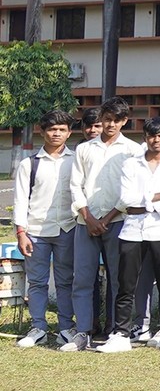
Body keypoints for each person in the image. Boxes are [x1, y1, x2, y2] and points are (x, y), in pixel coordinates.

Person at [107, 118, 160, 353]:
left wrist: (149, 205)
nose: (156, 140)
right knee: (126, 285)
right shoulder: (131, 164)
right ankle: (121, 334)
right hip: (133, 231)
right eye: (152, 136)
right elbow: (126, 199)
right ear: (145, 138)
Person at [70, 102, 140, 345]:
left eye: (116, 120)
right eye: (107, 119)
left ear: (125, 121)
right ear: (101, 118)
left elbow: (131, 190)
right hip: (85, 222)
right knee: (83, 278)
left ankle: (116, 330)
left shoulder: (133, 150)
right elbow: (75, 185)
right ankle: (83, 330)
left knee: (118, 279)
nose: (111, 124)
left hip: (118, 221)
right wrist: (89, 218)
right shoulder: (84, 149)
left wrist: (107, 218)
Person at [14, 111, 77, 349]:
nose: (56, 133)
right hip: (36, 231)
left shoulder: (76, 161)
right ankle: (38, 328)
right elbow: (21, 200)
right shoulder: (29, 164)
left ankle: (66, 327)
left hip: (67, 228)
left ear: (69, 133)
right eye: (52, 129)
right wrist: (21, 233)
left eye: (62, 129)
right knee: (37, 282)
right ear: (42, 132)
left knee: (65, 281)